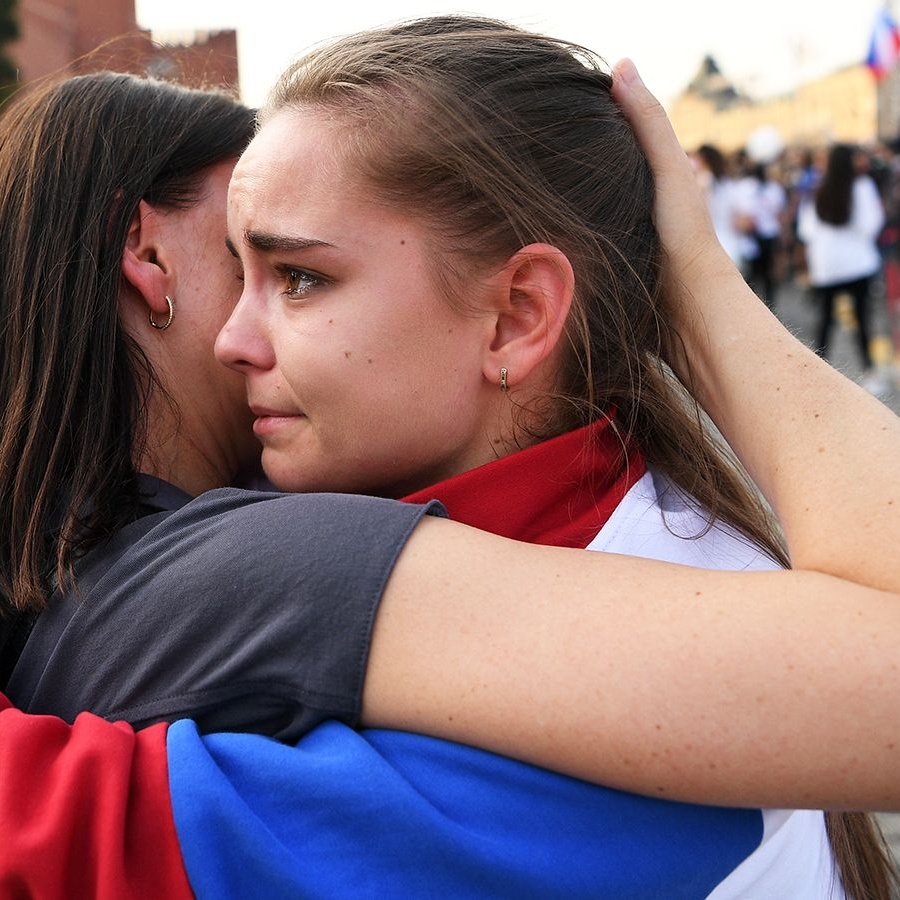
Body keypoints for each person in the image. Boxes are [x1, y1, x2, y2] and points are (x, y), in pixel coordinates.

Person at [4, 40, 900, 898]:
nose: (234, 339)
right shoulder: (668, 560)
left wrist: (698, 285)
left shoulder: (629, 750)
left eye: (298, 277)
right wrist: (695, 293)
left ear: (515, 316)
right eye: (239, 270)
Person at [798, 142, 889, 396]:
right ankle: (870, 372)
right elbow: (871, 224)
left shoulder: (817, 189)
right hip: (858, 264)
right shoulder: (862, 187)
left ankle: (817, 374)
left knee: (826, 321)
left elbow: (806, 231)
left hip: (826, 267)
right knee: (862, 320)